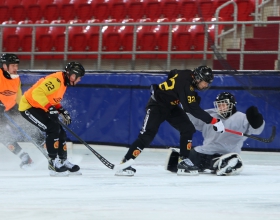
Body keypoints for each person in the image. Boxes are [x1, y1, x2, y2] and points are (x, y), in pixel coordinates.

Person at [115, 66, 225, 176]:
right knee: (147, 135)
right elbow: (192, 109)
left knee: (188, 128)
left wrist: (168, 89)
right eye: (205, 82)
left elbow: (173, 72)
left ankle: (183, 161)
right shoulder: (186, 85)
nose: (206, 85)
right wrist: (214, 121)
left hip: (171, 106)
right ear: (197, 78)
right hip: (157, 106)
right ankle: (125, 163)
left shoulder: (186, 73)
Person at [165, 92, 265, 176]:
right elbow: (190, 122)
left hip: (225, 153)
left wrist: (257, 121)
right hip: (205, 152)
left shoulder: (242, 118)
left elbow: (257, 130)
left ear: (231, 104)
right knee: (177, 161)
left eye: (224, 104)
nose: (221, 107)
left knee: (222, 162)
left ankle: (232, 162)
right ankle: (217, 164)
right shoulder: (209, 115)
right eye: (219, 104)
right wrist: (190, 110)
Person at [18, 62, 86, 177]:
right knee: (52, 128)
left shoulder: (64, 83)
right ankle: (52, 163)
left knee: (61, 131)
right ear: (71, 74)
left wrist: (61, 110)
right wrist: (50, 108)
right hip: (28, 106)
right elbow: (37, 93)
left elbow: (52, 98)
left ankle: (63, 160)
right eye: (78, 77)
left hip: (39, 106)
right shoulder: (56, 81)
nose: (79, 80)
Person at [0, 53, 35, 169]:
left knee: (29, 125)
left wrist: (26, 109)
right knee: (3, 136)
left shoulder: (16, 78)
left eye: (17, 65)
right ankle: (24, 156)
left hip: (11, 107)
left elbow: (19, 97)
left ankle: (52, 153)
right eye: (13, 65)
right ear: (4, 66)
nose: (16, 68)